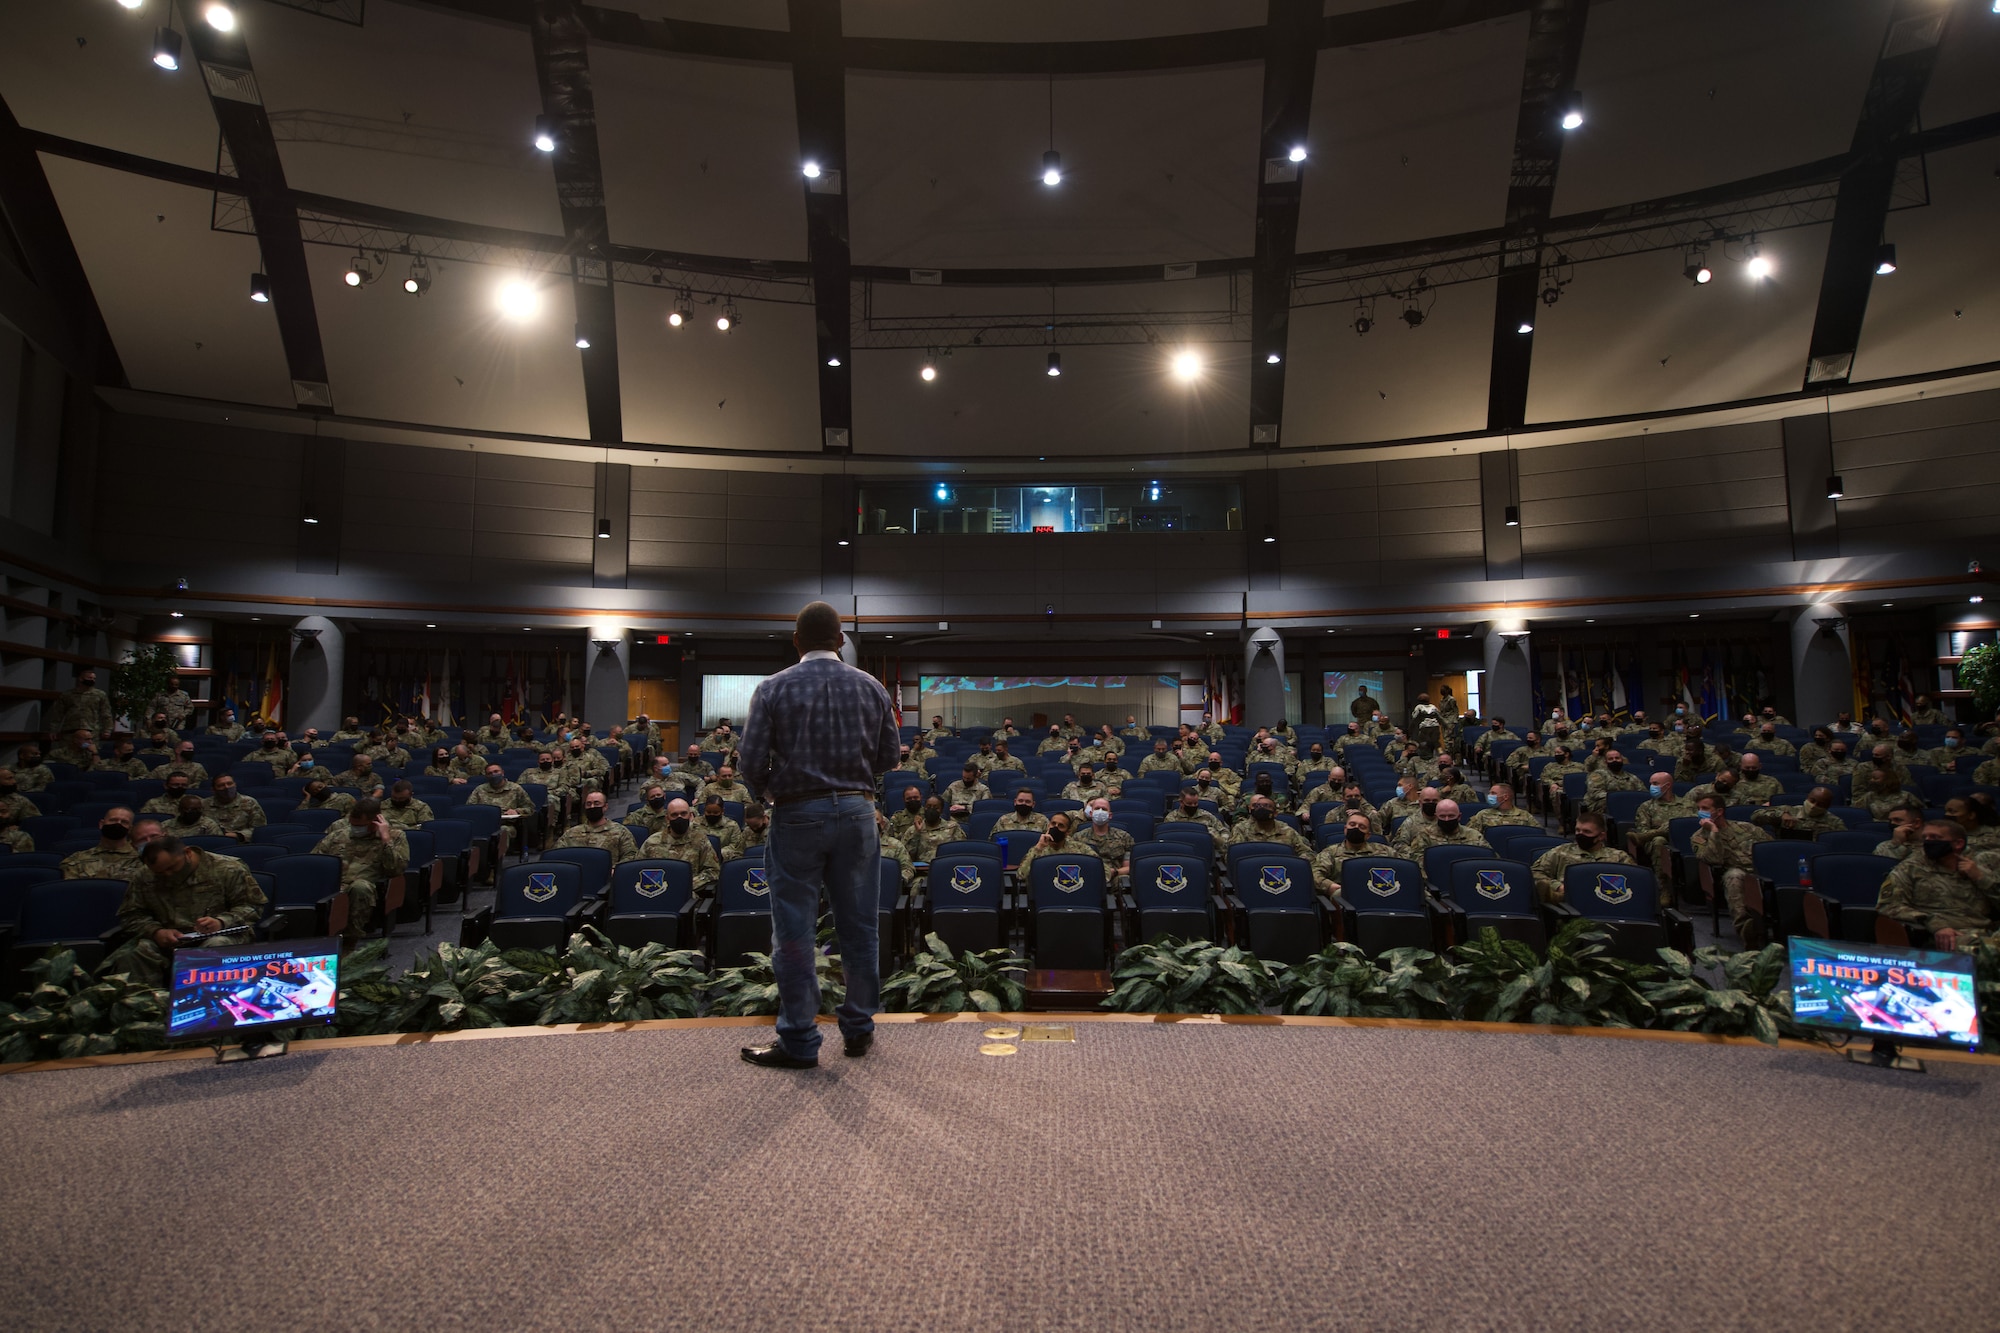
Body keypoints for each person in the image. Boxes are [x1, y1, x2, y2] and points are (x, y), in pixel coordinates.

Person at [734, 601, 899, 1070]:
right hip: (856, 813)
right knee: (860, 928)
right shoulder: (871, 687)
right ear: (840, 638)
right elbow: (889, 756)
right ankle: (859, 1030)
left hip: (796, 814)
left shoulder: (773, 687)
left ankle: (801, 1043)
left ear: (796, 641)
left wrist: (773, 794)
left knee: (793, 933)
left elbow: (749, 762)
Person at [99, 836, 268, 985]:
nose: (167, 875)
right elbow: (131, 915)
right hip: (167, 940)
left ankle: (206, 1008)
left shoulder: (226, 868)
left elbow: (252, 906)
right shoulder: (144, 876)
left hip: (221, 934)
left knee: (214, 947)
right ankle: (147, 1009)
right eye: (160, 873)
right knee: (136, 953)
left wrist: (221, 921)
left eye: (172, 868)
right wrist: (156, 932)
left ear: (187, 853)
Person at [1874, 820, 1998, 950]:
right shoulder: (1910, 868)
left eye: (1935, 837)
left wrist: (1980, 878)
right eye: (1925, 837)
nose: (1928, 841)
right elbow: (1888, 906)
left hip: (1987, 932)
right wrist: (1935, 923)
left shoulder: (1979, 866)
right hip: (1945, 934)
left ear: (1958, 843)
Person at [310, 797, 410, 945]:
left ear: (376, 821)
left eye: (361, 825)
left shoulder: (395, 837)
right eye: (353, 824)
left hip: (361, 888)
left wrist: (385, 840)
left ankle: (349, 942)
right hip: (332, 885)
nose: (355, 829)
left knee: (360, 887)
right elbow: (315, 861)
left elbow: (396, 870)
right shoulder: (337, 836)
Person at [1689, 794, 1771, 948]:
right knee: (1734, 876)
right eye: (1699, 808)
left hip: (1760, 871)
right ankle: (1746, 931)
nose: (1700, 812)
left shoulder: (1747, 828)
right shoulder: (1699, 837)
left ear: (1719, 811)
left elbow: (1771, 848)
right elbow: (1713, 859)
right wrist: (1713, 831)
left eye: (1705, 808)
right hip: (1731, 874)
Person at [1530, 812, 1634, 904]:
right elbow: (1535, 872)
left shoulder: (1618, 857)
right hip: (1571, 903)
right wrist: (1557, 886)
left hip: (1607, 901)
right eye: (1577, 830)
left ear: (1601, 836)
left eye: (1586, 832)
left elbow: (1635, 881)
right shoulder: (1561, 852)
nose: (1580, 835)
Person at [637, 798, 722, 893]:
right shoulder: (652, 842)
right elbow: (638, 870)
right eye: (674, 815)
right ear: (667, 818)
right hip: (656, 893)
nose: (679, 818)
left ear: (690, 816)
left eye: (683, 814)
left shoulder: (700, 840)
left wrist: (686, 884)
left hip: (688, 896)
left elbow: (713, 871)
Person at [468, 762, 536, 865]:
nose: (493, 775)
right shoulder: (480, 790)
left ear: (502, 773)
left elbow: (530, 808)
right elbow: (469, 809)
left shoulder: (515, 788)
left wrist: (517, 811)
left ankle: (495, 866)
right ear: (486, 776)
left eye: (496, 771)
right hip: (484, 825)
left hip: (507, 824)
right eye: (490, 773)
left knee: (503, 832)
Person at [61, 806, 144, 882]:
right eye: (113, 820)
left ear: (130, 829)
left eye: (124, 822)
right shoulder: (77, 859)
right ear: (101, 824)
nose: (118, 824)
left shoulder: (141, 860)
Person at [556, 791, 638, 865]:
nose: (592, 807)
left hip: (608, 877)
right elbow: (557, 855)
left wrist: (616, 869)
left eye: (596, 803)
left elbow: (631, 855)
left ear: (605, 807)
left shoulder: (621, 832)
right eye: (588, 804)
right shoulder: (571, 833)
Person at [1313, 812, 1379, 893]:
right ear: (1345, 829)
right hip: (1343, 899)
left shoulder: (1384, 851)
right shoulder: (1330, 852)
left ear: (1368, 835)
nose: (1356, 828)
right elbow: (1314, 874)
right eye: (1352, 824)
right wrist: (1329, 886)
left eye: (1362, 827)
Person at [50, 668, 114, 741]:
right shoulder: (68, 695)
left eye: (94, 678)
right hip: (70, 731)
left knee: (89, 751)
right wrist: (53, 729)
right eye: (89, 678)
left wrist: (107, 729)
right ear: (81, 678)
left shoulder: (100, 695)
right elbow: (58, 713)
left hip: (91, 731)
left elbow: (106, 713)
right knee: (68, 751)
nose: (92, 680)